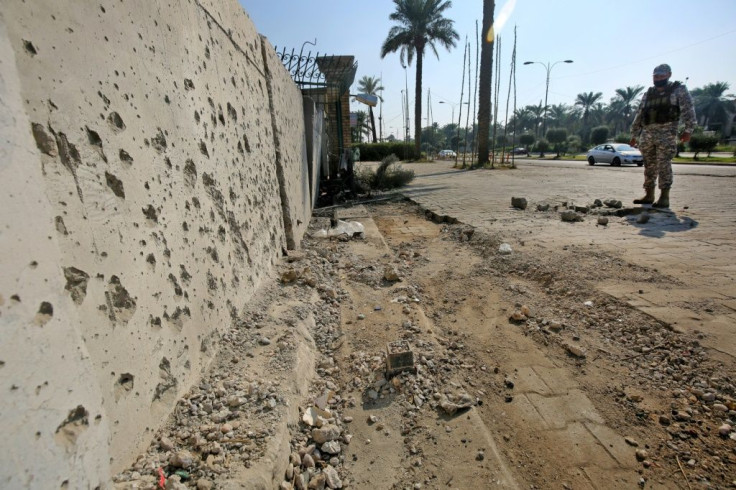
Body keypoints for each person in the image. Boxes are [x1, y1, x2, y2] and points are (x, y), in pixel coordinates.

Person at [629, 64, 696, 208]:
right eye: (655, 76)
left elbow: (688, 110)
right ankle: (649, 194)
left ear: (669, 75)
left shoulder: (678, 90)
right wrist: (634, 134)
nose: (658, 78)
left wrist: (688, 130)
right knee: (649, 165)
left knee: (664, 164)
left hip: (666, 133)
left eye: (661, 76)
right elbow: (640, 114)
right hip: (647, 134)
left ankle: (664, 197)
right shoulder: (649, 93)